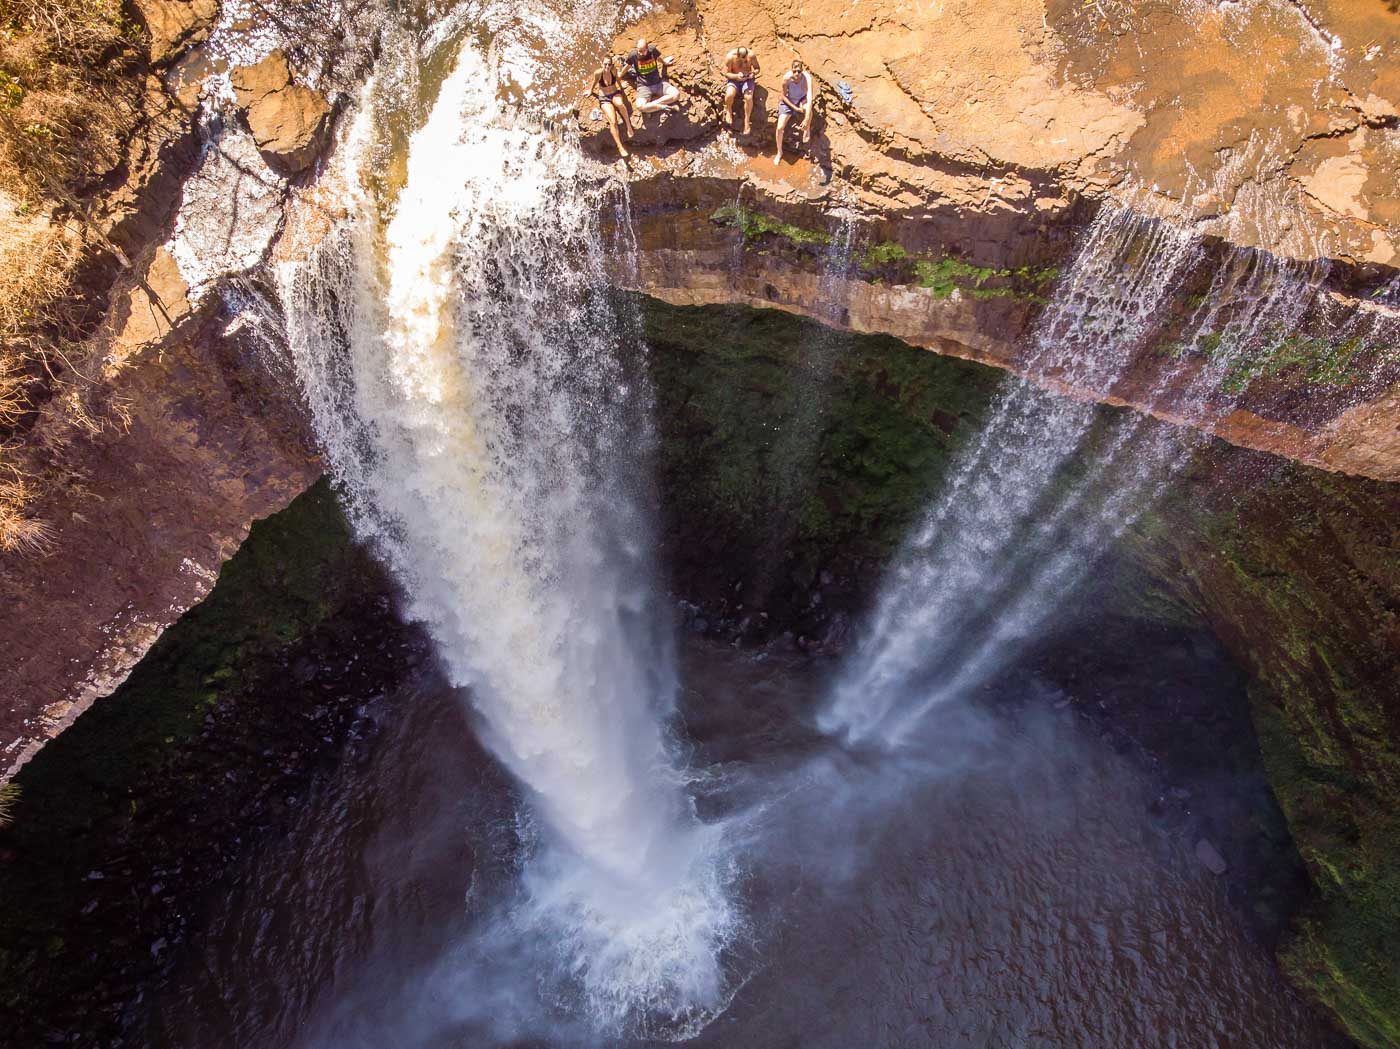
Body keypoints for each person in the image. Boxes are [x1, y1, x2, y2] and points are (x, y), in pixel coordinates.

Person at [588, 55, 633, 158]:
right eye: (605, 64)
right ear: (602, 64)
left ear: (612, 65)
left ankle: (628, 125)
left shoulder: (613, 70)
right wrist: (590, 91)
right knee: (613, 121)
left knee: (620, 104)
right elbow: (594, 83)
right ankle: (620, 147)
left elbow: (617, 79)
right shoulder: (598, 73)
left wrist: (622, 87)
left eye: (609, 64)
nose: (607, 66)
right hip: (604, 98)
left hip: (614, 93)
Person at [625, 38, 681, 113]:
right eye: (639, 51)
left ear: (647, 48)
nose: (640, 53)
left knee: (676, 94)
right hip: (644, 86)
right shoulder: (633, 55)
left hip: (658, 83)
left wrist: (665, 63)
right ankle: (663, 107)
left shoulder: (652, 50)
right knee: (640, 106)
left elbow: (658, 58)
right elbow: (627, 66)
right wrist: (619, 75)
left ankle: (651, 106)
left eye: (643, 51)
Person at [774, 59, 814, 166]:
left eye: (799, 71)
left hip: (801, 99)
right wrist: (794, 108)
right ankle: (779, 152)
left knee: (808, 110)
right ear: (791, 71)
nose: (797, 74)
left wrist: (806, 119)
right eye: (794, 71)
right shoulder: (786, 78)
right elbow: (782, 96)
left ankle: (807, 129)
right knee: (779, 128)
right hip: (789, 101)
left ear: (802, 71)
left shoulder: (807, 78)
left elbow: (810, 98)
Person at [721, 46, 760, 135]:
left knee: (749, 97)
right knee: (729, 94)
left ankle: (747, 120)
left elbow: (757, 68)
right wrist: (736, 76)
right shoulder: (730, 57)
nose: (743, 62)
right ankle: (729, 110)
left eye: (745, 60)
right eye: (741, 60)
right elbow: (726, 73)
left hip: (747, 79)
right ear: (737, 56)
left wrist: (753, 73)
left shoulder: (751, 55)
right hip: (734, 79)